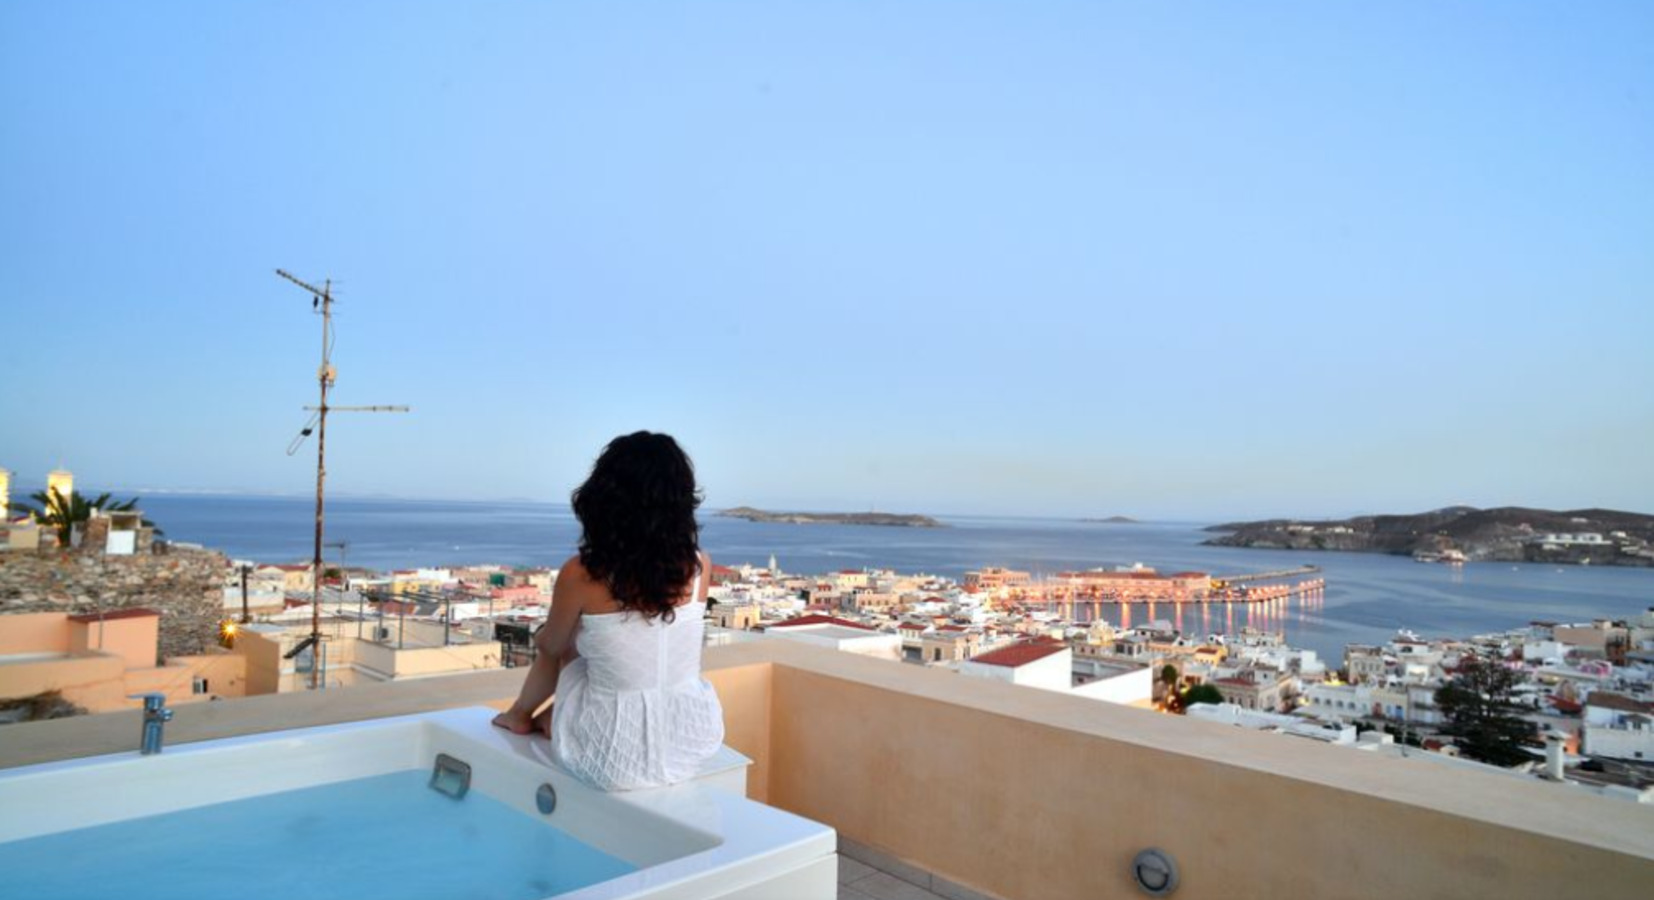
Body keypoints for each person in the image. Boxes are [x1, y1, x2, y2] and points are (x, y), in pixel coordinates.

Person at [492, 432, 724, 790]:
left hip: (610, 755)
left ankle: (520, 715)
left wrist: (546, 637)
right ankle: (548, 716)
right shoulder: (698, 566)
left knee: (564, 646)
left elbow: (552, 649)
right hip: (687, 740)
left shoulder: (583, 573)